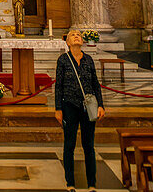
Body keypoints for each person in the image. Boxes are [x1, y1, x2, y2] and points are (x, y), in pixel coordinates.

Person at [55, 28, 105, 192]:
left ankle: (92, 183)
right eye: (73, 35)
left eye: (79, 35)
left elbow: (95, 84)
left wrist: (101, 105)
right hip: (69, 105)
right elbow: (59, 86)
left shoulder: (89, 60)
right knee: (69, 144)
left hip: (88, 106)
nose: (77, 37)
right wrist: (58, 108)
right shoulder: (63, 60)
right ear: (68, 42)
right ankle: (70, 182)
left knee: (88, 145)